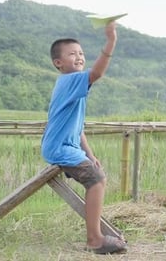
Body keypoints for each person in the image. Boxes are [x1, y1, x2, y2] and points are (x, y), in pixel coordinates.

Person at [41, 21, 126, 254]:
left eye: (81, 53)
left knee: (96, 173)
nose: (79, 57)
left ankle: (97, 234)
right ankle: (94, 239)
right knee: (96, 179)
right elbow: (97, 72)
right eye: (72, 54)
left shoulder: (73, 86)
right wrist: (111, 41)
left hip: (65, 146)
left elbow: (77, 129)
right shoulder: (70, 80)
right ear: (58, 63)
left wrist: (90, 154)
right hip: (59, 148)